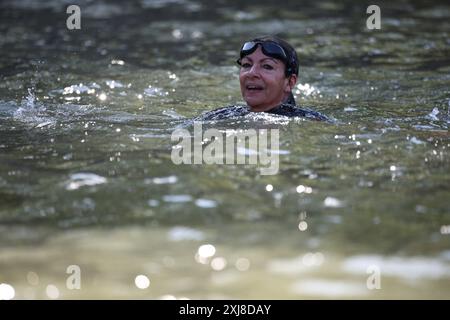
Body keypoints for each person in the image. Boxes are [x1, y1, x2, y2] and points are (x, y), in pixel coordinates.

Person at [197, 35, 330, 122]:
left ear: (289, 82)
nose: (251, 73)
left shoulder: (310, 120)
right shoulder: (221, 117)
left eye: (267, 66)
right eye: (246, 65)